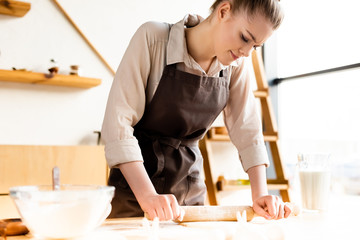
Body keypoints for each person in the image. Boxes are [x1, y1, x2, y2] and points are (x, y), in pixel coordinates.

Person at [101, 0, 291, 221]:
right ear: (224, 11)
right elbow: (118, 126)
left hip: (190, 199)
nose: (247, 52)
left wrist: (261, 195)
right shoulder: (153, 39)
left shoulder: (236, 65)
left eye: (255, 46)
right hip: (134, 193)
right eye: (245, 38)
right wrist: (148, 197)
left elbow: (247, 130)